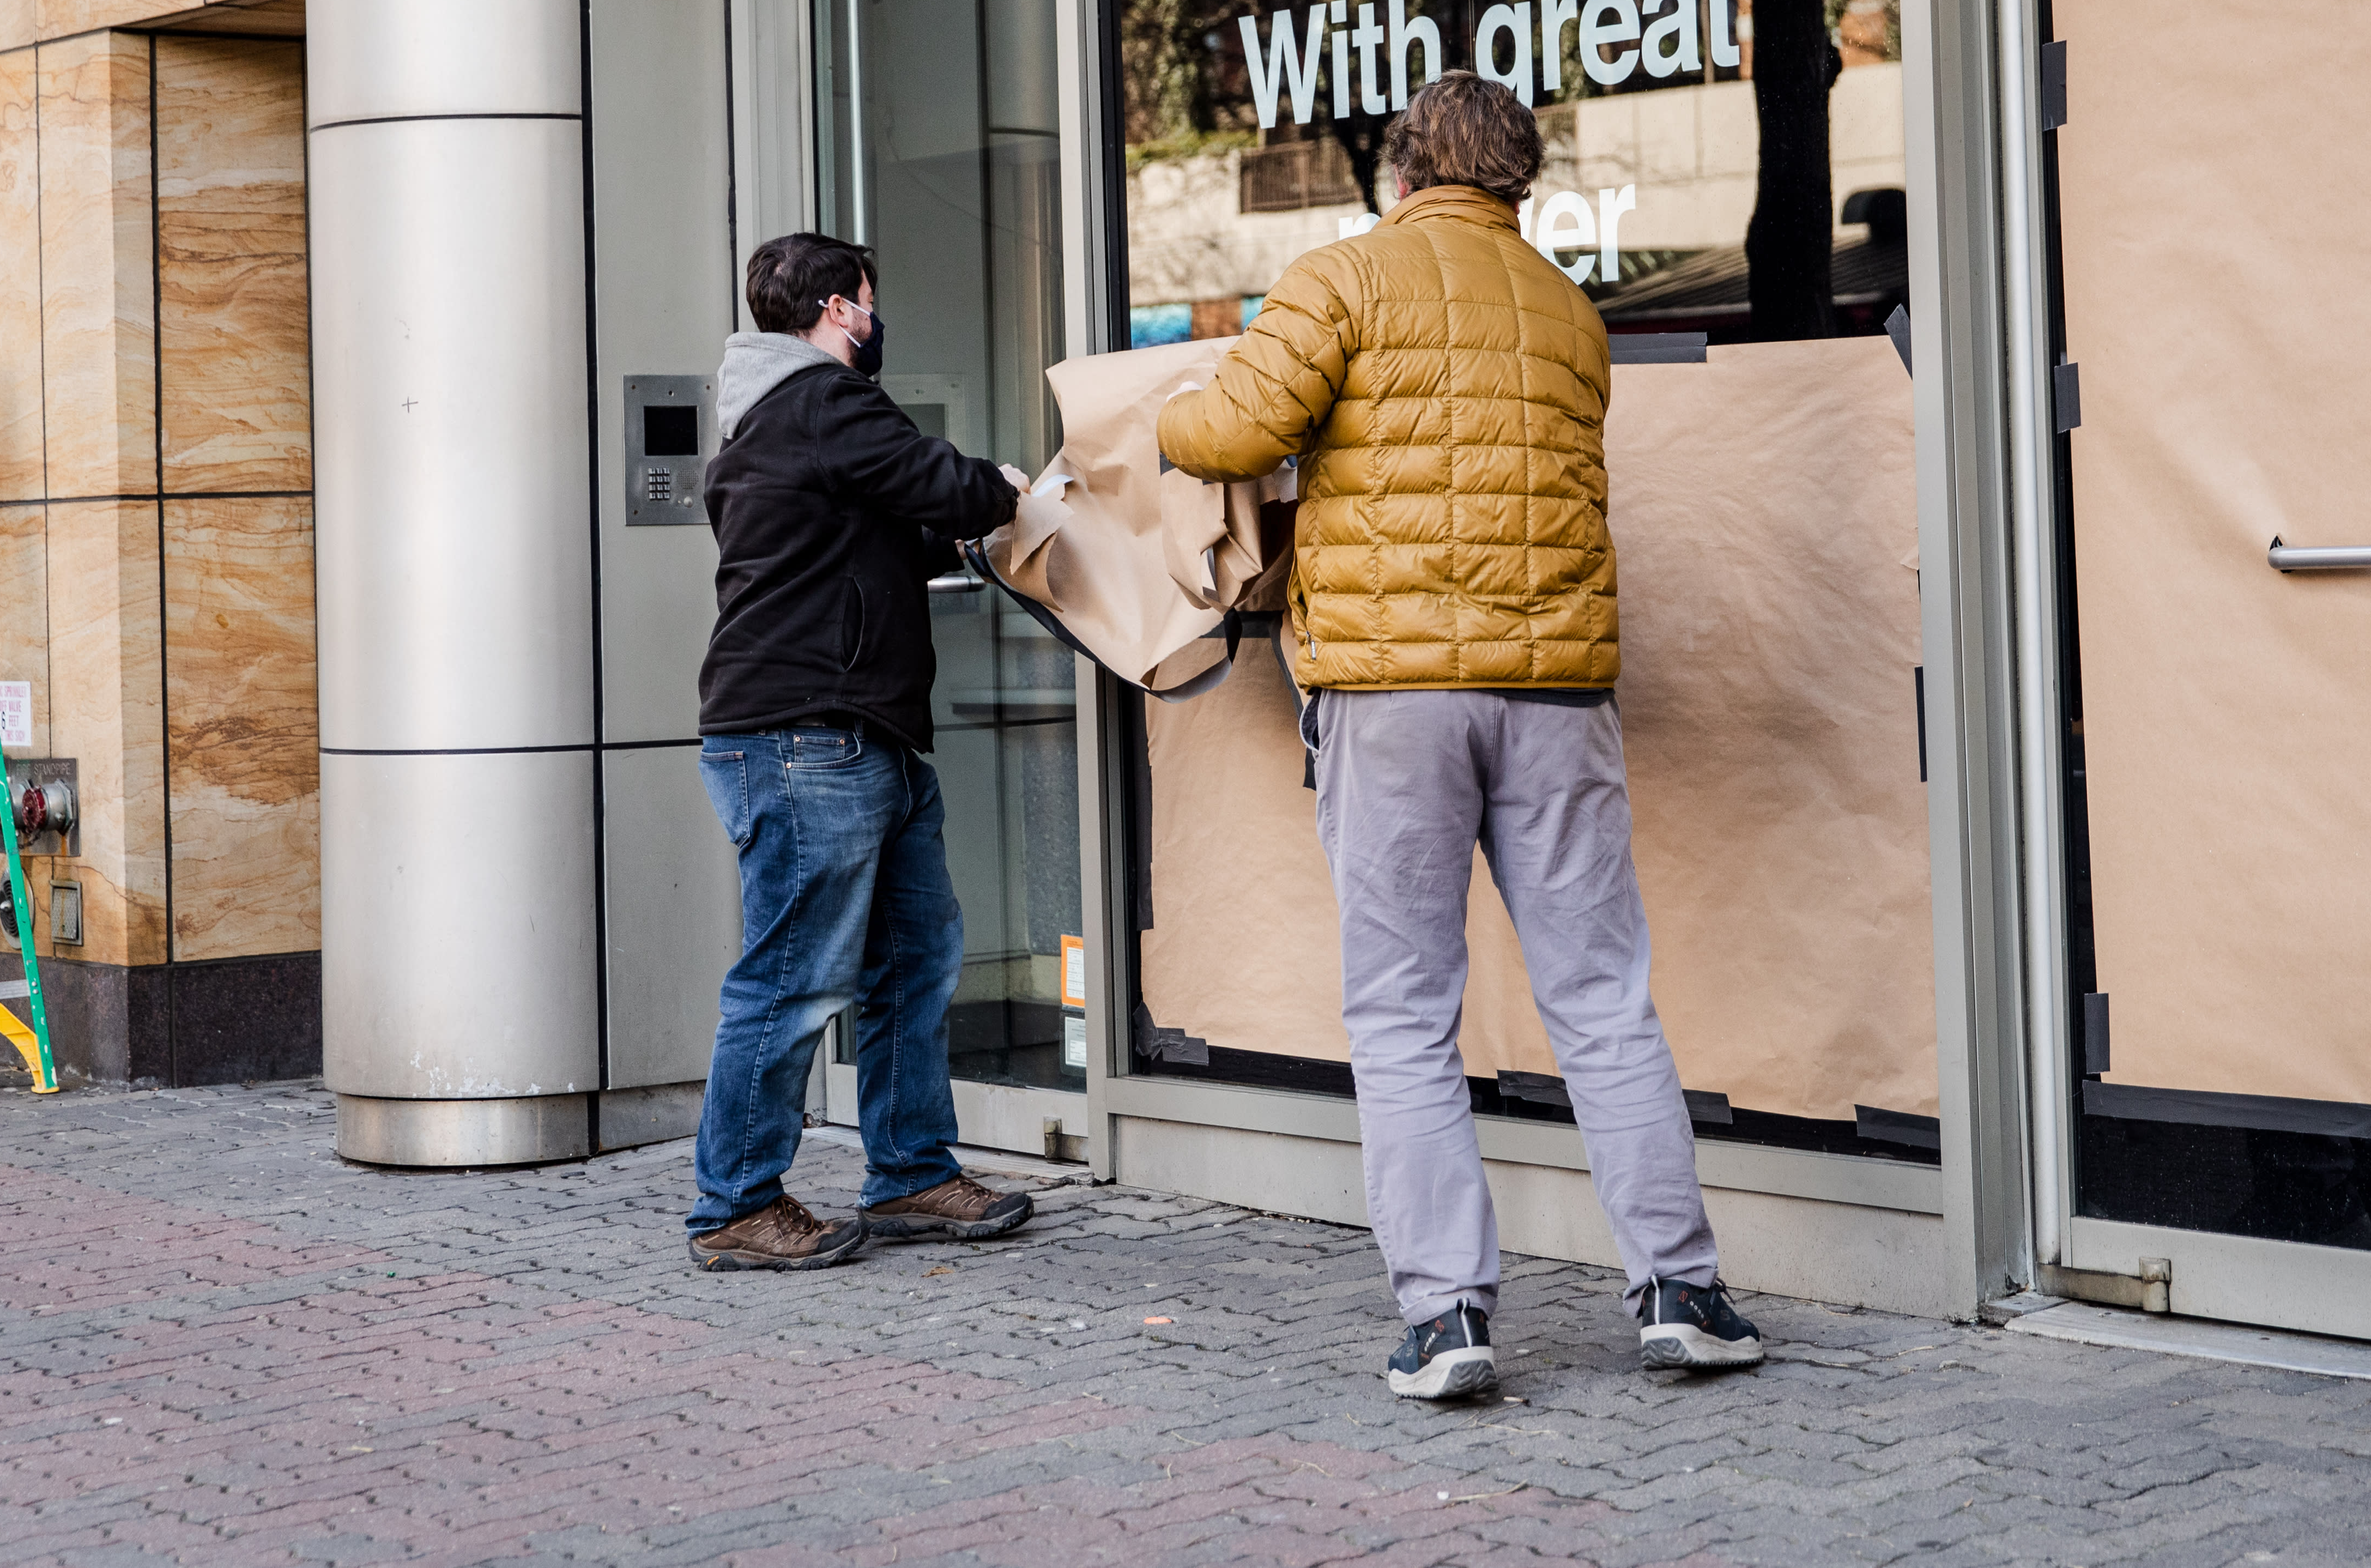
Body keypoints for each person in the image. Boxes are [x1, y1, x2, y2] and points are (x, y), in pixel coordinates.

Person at [1158, 71, 1765, 1398]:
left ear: (1401, 168)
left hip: (1391, 695)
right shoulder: (1566, 311)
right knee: (1601, 996)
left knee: (1400, 1012)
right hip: (1555, 692)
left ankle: (1448, 1319)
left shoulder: (1343, 279)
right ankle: (1682, 1290)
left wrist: (1161, 411)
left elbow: (1235, 429)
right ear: (1517, 179)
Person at [685, 232, 1034, 1272]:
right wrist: (1003, 490)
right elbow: (940, 483)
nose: (877, 324)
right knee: (791, 982)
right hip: (808, 742)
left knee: (911, 962)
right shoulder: (821, 403)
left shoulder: (772, 423)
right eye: (870, 305)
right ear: (841, 310)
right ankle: (734, 1203)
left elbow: (866, 536)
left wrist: (952, 539)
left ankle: (913, 1174)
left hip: (854, 736)